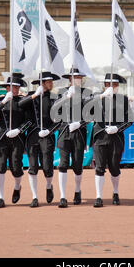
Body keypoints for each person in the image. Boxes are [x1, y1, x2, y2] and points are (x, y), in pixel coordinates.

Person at [88, 73, 134, 208]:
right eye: (111, 84)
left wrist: (117, 128)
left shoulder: (123, 99)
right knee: (99, 167)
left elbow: (130, 120)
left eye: (116, 85)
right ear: (105, 85)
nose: (114, 87)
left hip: (116, 137)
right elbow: (86, 111)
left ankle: (115, 192)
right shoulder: (97, 97)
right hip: (100, 137)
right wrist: (101, 96)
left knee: (114, 167)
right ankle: (98, 196)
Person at [19, 71, 61, 208]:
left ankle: (49, 186)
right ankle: (34, 197)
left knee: (47, 166)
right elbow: (21, 105)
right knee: (32, 166)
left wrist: (49, 130)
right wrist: (35, 95)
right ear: (42, 83)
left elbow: (59, 120)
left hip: (47, 135)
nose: (51, 83)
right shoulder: (32, 95)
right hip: (32, 135)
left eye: (51, 81)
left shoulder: (54, 97)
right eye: (48, 81)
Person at [51, 68, 90, 208]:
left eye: (78, 77)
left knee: (78, 165)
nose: (76, 79)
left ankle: (77, 190)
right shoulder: (61, 92)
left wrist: (79, 123)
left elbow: (92, 114)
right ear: (69, 79)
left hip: (79, 132)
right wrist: (65, 97)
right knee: (62, 164)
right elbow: (54, 110)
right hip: (63, 132)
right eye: (74, 77)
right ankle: (62, 196)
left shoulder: (87, 93)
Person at [0, 73, 30, 209]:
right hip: (2, 137)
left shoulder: (22, 102)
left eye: (17, 87)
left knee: (16, 167)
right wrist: (4, 101)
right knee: (0, 167)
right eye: (13, 87)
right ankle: (0, 197)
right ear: (7, 87)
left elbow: (29, 120)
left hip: (17, 137)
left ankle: (17, 186)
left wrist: (19, 130)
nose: (16, 90)